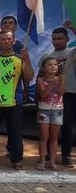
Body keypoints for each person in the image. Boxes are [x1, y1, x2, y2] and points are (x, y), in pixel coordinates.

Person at [0, 30, 34, 170]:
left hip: (14, 102)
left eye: (9, 39)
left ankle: (16, 159)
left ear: (14, 41)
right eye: (3, 39)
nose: (6, 41)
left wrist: (26, 59)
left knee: (15, 132)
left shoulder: (20, 58)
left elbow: (28, 77)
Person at [40, 23, 76, 167]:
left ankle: (66, 155)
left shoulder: (71, 52)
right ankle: (48, 154)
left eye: (60, 38)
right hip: (50, 97)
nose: (57, 41)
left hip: (69, 93)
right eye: (54, 39)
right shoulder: (47, 56)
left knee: (67, 126)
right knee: (48, 128)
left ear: (67, 39)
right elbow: (41, 76)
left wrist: (73, 28)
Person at [35, 57, 65, 171]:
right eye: (50, 64)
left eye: (55, 65)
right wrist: (53, 84)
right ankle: (42, 160)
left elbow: (61, 92)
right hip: (44, 110)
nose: (53, 66)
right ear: (44, 68)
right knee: (44, 136)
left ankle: (52, 162)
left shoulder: (60, 79)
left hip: (58, 110)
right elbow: (43, 95)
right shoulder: (40, 80)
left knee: (54, 137)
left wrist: (61, 82)